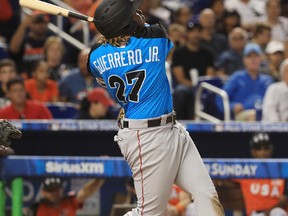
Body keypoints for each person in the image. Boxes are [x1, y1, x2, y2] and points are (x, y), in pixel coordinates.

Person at [87, 0, 224, 215]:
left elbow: (100, 64)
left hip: (171, 129)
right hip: (147, 137)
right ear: (124, 25)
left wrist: (111, 35)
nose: (139, 13)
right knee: (149, 213)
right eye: (132, 14)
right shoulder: (155, 38)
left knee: (206, 194)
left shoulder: (95, 56)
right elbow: (150, 30)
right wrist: (129, 31)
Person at [216, 43, 274, 121]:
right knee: (252, 116)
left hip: (265, 114)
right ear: (244, 60)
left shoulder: (267, 80)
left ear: (260, 59)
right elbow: (220, 99)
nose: (253, 60)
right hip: (243, 115)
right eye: (249, 56)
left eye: (256, 56)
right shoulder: (237, 77)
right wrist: (232, 106)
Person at [172, 22, 215, 119]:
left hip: (204, 86)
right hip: (186, 86)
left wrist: (200, 87)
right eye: (192, 32)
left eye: (198, 31)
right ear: (187, 34)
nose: (195, 34)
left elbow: (209, 75)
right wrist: (194, 86)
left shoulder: (207, 53)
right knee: (180, 91)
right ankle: (179, 122)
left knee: (212, 93)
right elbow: (180, 78)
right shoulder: (179, 53)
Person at [27, 177, 104, 216]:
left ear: (62, 190)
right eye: (51, 190)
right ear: (43, 192)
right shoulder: (35, 209)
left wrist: (101, 176)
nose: (54, 193)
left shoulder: (69, 202)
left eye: (57, 189)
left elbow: (87, 191)